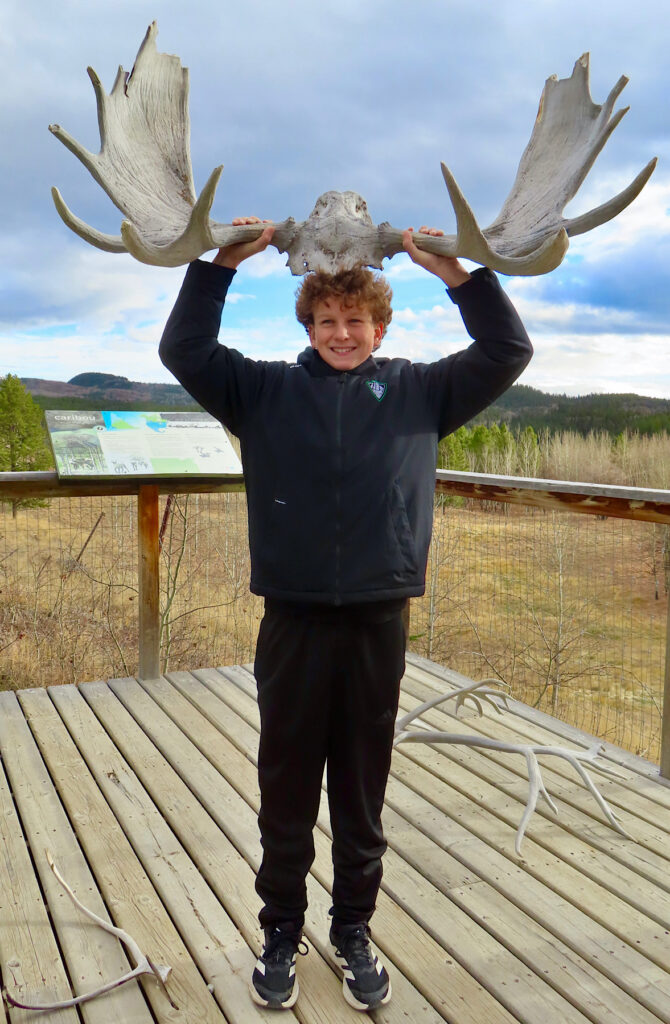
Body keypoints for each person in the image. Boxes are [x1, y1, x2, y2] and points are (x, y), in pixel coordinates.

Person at [159, 218, 532, 1012]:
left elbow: (507, 352)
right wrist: (221, 264)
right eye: (326, 321)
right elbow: (183, 351)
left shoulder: (420, 391)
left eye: (355, 321)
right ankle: (281, 935)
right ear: (308, 326)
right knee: (286, 790)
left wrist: (458, 273)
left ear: (380, 326)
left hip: (376, 623)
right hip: (291, 624)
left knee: (361, 794)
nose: (342, 333)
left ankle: (353, 931)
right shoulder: (262, 391)